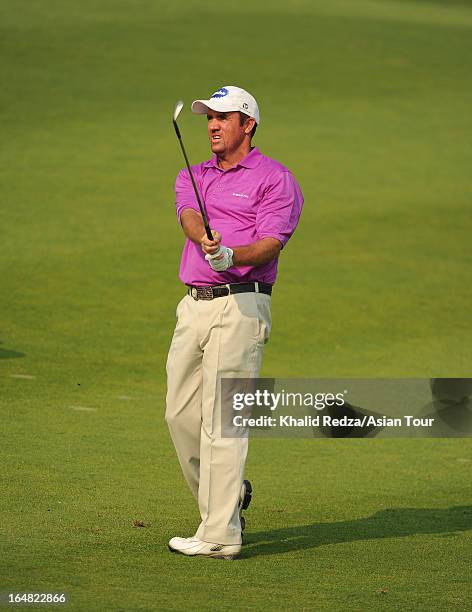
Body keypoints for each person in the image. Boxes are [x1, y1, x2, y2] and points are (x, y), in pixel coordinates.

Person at [166, 85, 304, 559]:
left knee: (222, 421)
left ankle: (220, 534)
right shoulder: (193, 172)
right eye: (209, 117)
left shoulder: (275, 178)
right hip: (194, 304)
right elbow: (188, 213)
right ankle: (228, 499)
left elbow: (271, 243)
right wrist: (207, 239)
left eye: (224, 117)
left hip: (242, 304)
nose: (212, 125)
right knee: (180, 415)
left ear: (248, 124)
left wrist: (232, 255)